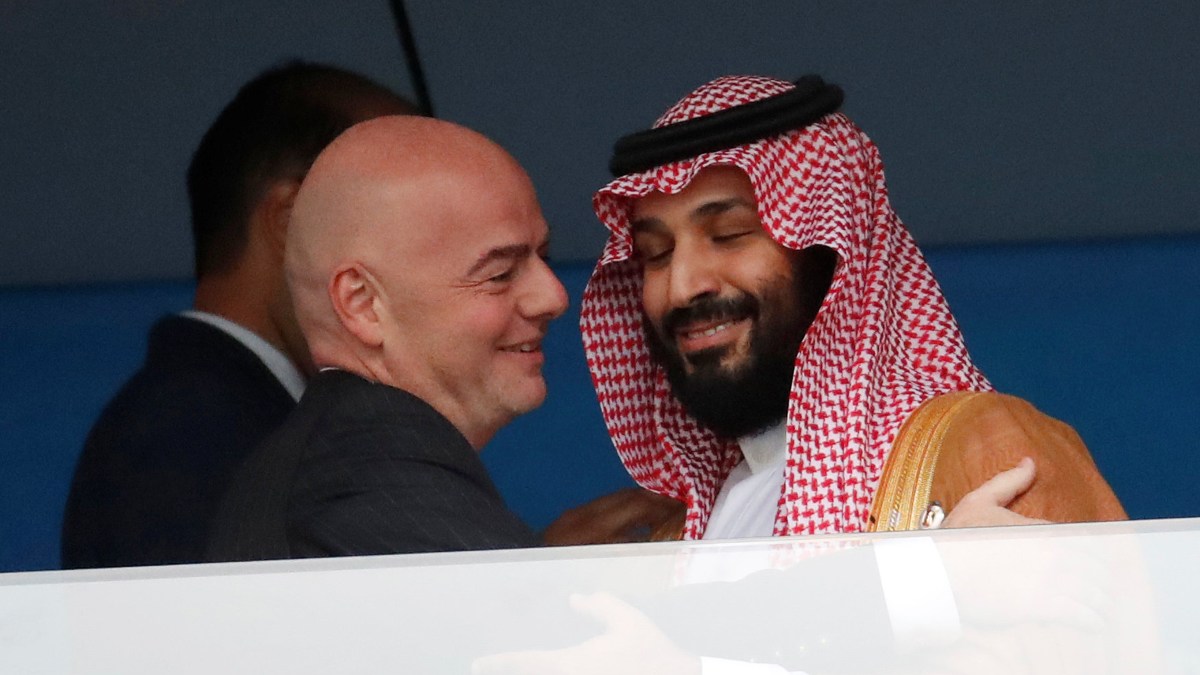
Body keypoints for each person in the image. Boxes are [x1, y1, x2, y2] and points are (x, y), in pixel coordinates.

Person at [579, 74, 1126, 541]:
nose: (682, 287)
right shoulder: (685, 533)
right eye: (655, 254)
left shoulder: (982, 449)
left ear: (834, 254)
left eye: (730, 234)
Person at [206, 115, 679, 561]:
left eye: (543, 256)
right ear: (363, 303)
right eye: (499, 273)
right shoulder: (374, 477)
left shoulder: (334, 463)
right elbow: (526, 643)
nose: (553, 296)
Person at [61, 61, 421, 568]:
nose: (425, 263)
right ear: (293, 222)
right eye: (407, 222)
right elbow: (220, 643)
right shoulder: (188, 435)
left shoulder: (226, 418)